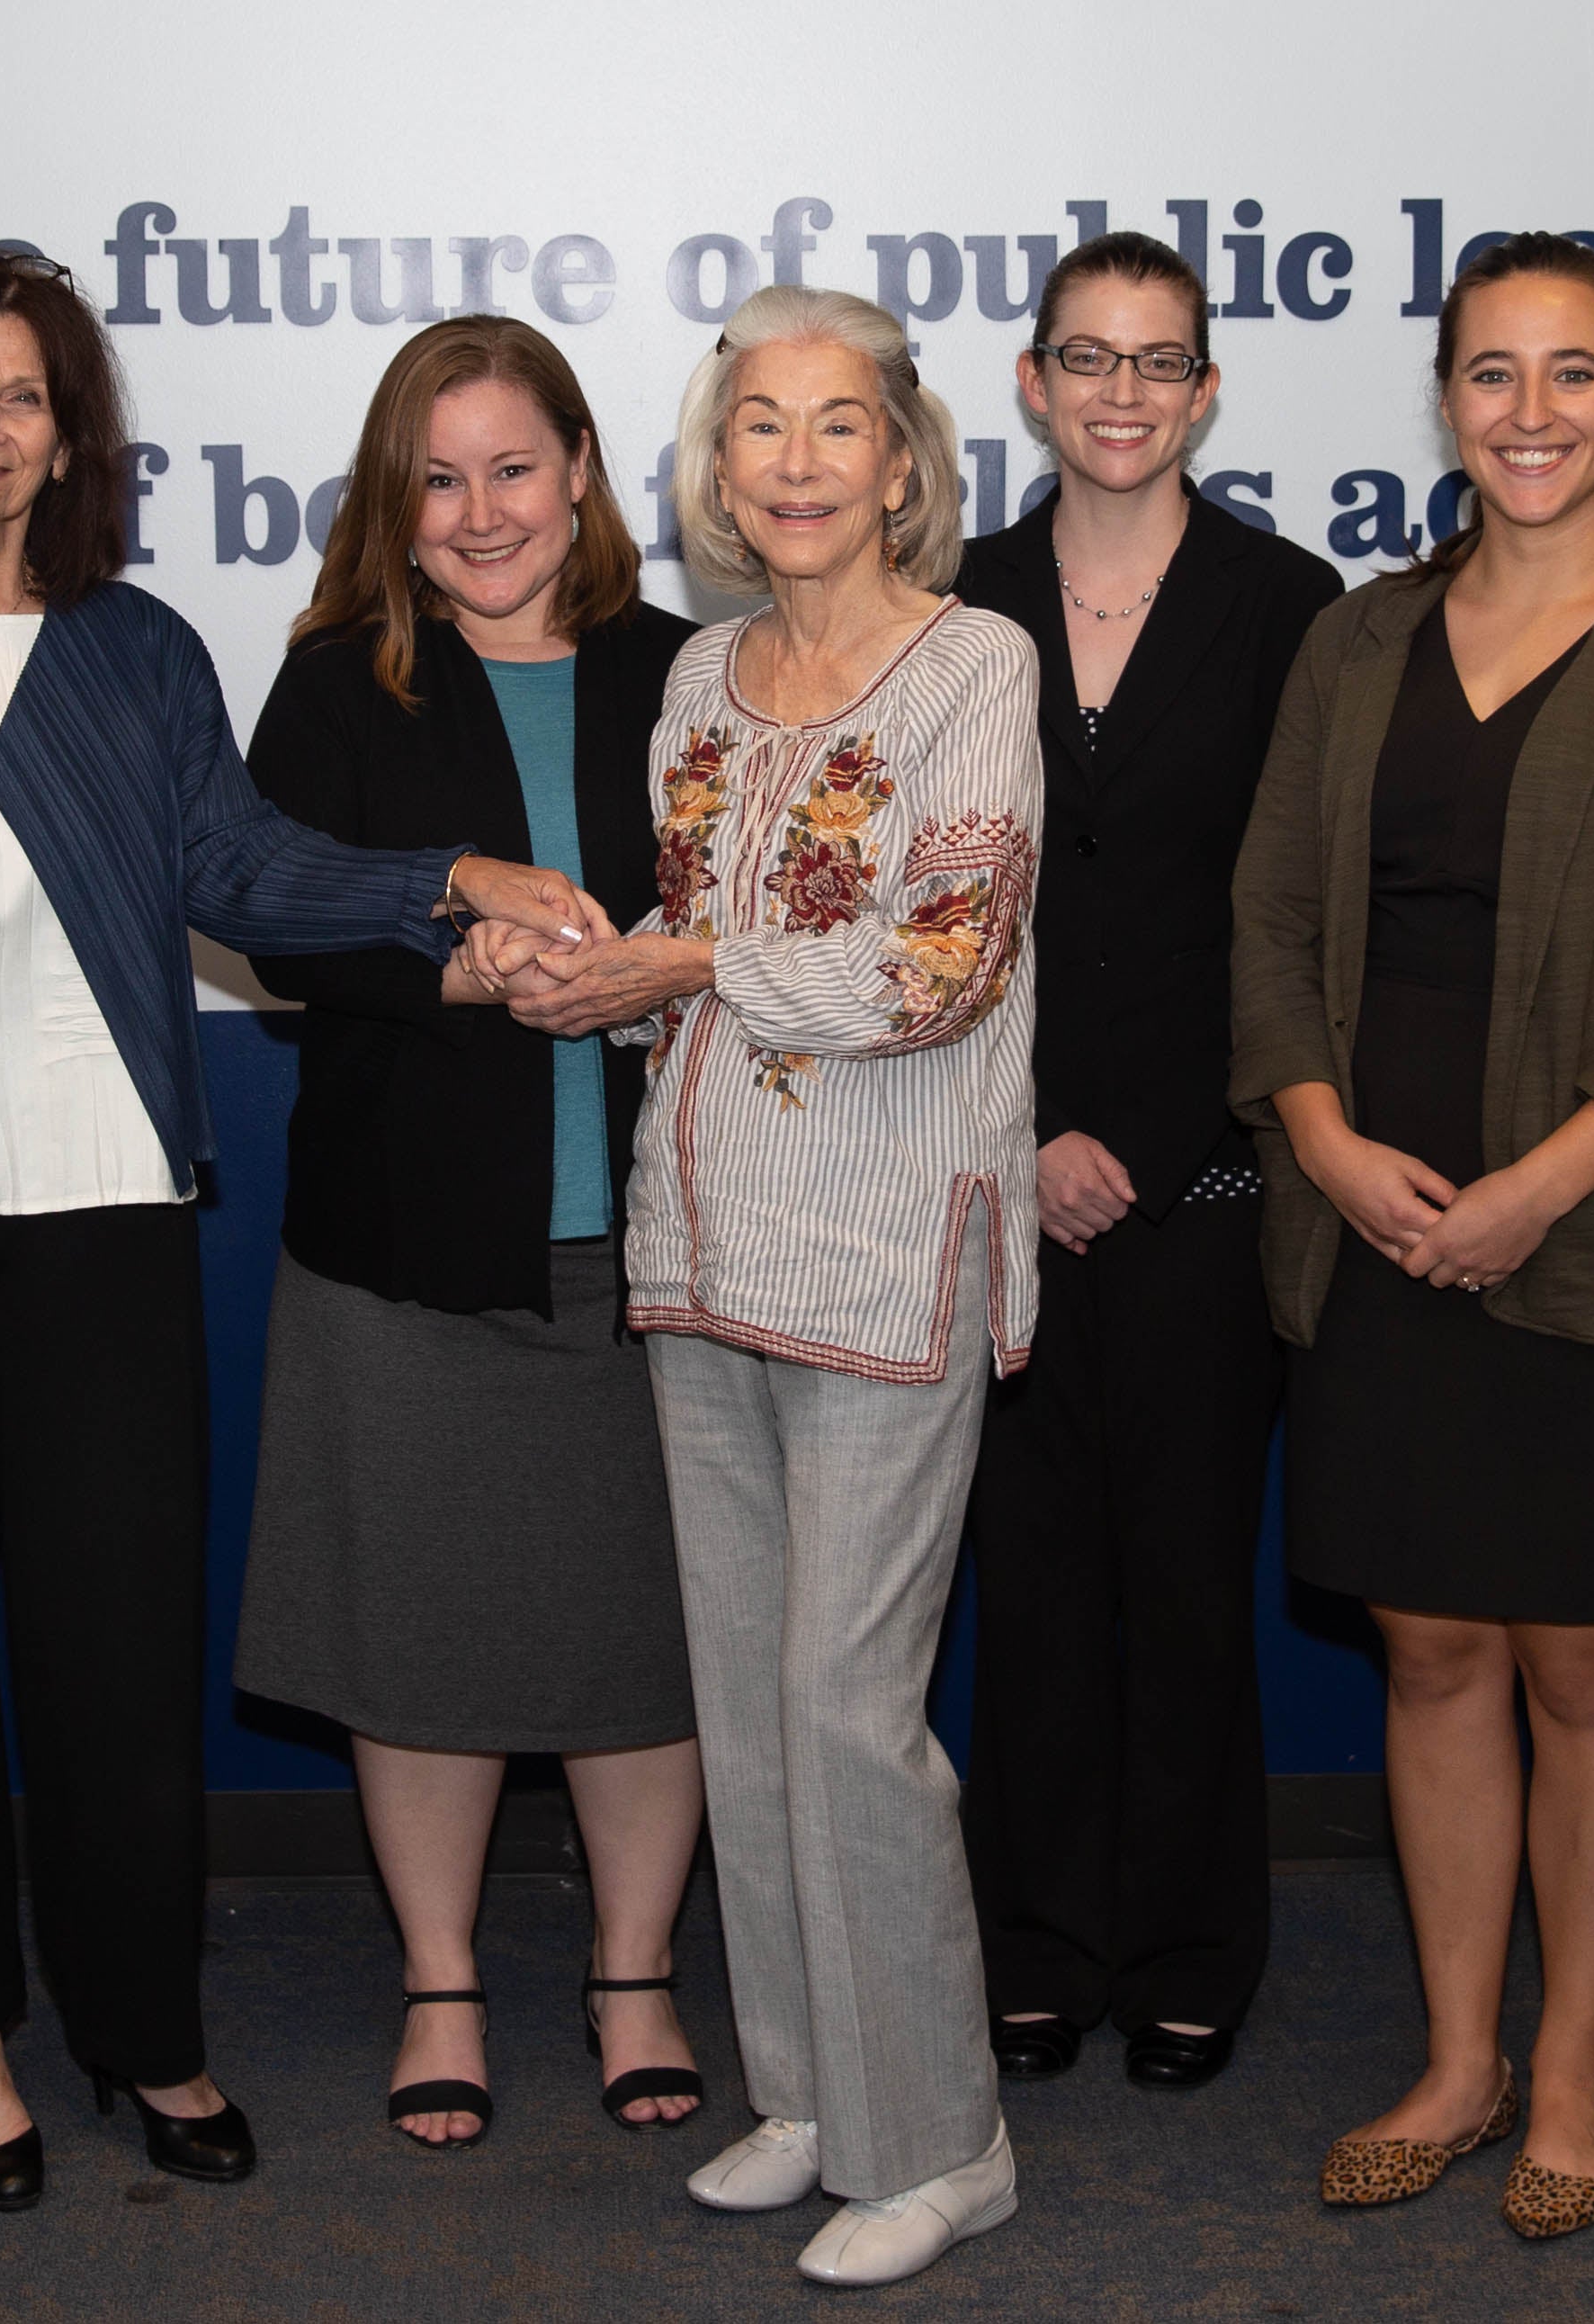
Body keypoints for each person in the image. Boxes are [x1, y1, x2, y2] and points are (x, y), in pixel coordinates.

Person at [0, 250, 595, 2212]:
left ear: (70, 437)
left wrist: (445, 876)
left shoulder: (135, 648)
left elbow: (239, 868)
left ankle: (139, 2024)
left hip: (104, 1220)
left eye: (27, 398)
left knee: (113, 1651)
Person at [1237, 235, 1594, 2239]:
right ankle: (1455, 2052)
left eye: (1573, 374)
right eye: (1491, 375)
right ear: (1444, 401)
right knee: (1426, 1649)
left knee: (1583, 1661)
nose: (1532, 414)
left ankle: (1569, 2061)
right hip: (1375, 1228)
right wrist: (1318, 1139)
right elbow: (1271, 926)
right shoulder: (1355, 642)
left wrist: (1536, 1183)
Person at [478, 283, 1038, 2288]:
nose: (794, 463)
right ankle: (810, 2092)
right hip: (703, 1234)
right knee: (746, 1697)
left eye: (836, 424)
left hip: (888, 1248)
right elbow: (673, 942)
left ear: (901, 456)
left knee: (846, 1704)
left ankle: (942, 2133)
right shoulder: (701, 675)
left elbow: (935, 965)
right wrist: (585, 971)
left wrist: (675, 966)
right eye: (756, 428)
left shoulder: (975, 659)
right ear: (716, 467)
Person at [227, 313, 708, 2149]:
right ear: (390, 501)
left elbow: (749, 911)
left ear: (581, 470)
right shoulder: (341, 682)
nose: (481, 509)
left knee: (639, 1627)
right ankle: (439, 1970)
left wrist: (652, 976)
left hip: (657, 1242)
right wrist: (458, 965)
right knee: (414, 1623)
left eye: (514, 465)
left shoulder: (691, 671)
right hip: (407, 1238)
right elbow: (273, 920)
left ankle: (635, 1964)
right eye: (437, 477)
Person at [954, 233, 1340, 2095]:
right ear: (1030, 383)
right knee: (1021, 1583)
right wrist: (1022, 1130)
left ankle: (1188, 1945)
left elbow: (1291, 910)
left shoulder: (1289, 605)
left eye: (1157, 362)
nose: (1120, 393)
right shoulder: (945, 601)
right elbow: (927, 902)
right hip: (992, 1166)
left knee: (1187, 1583)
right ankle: (1030, 1943)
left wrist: (1160, 1132)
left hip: (1204, 1188)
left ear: (1202, 392)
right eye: (1085, 359)